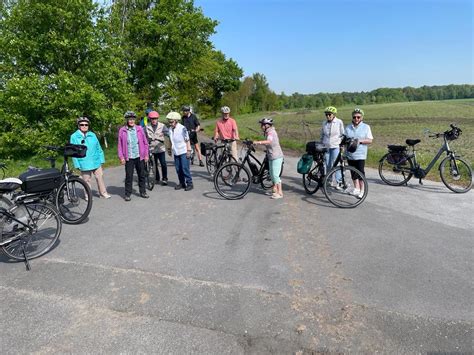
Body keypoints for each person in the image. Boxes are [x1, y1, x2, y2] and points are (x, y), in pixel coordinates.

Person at [70, 117, 111, 199]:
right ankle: (88, 195)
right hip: (84, 162)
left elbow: (98, 147)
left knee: (100, 177)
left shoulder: (92, 134)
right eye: (82, 124)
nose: (84, 126)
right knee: (86, 180)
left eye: (86, 124)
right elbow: (73, 152)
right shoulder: (74, 136)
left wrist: (102, 159)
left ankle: (103, 193)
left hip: (95, 160)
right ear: (79, 126)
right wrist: (77, 164)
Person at [118, 111, 150, 201]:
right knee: (129, 176)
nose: (131, 121)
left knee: (142, 175)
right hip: (129, 157)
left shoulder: (139, 129)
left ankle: (143, 192)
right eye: (129, 119)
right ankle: (128, 194)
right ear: (127, 120)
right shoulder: (122, 130)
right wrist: (121, 157)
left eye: (132, 119)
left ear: (134, 120)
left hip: (140, 156)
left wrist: (146, 155)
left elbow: (145, 143)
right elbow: (120, 145)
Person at [344, 108, 373, 198]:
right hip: (350, 154)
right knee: (353, 172)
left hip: (360, 154)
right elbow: (344, 139)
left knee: (360, 172)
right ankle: (356, 189)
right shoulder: (348, 127)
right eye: (354, 117)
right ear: (352, 117)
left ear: (361, 117)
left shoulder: (366, 127)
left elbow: (370, 140)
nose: (356, 119)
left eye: (358, 117)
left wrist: (359, 141)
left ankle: (362, 190)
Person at [253, 118, 284, 199]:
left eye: (262, 125)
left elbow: (269, 141)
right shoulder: (268, 132)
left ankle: (280, 193)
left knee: (275, 175)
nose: (261, 126)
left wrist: (258, 142)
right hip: (271, 155)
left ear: (267, 125)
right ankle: (274, 190)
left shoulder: (271, 132)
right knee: (271, 174)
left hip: (276, 156)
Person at [166, 111, 193, 191]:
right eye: (169, 122)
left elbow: (187, 139)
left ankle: (189, 183)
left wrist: (188, 150)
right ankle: (182, 183)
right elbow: (170, 140)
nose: (170, 123)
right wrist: (169, 149)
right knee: (178, 169)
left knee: (185, 168)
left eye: (171, 122)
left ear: (176, 121)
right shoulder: (170, 129)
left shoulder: (182, 128)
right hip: (176, 151)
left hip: (184, 151)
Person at [320, 106, 344, 184]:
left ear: (334, 114)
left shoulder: (339, 122)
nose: (328, 116)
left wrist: (342, 145)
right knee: (328, 164)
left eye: (329, 114)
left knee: (336, 164)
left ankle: (339, 181)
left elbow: (342, 134)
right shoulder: (324, 123)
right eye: (326, 114)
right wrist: (321, 144)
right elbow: (322, 134)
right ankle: (329, 180)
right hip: (326, 146)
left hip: (335, 146)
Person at [145, 110, 169, 185]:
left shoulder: (162, 126)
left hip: (160, 148)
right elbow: (142, 136)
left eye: (155, 118)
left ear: (157, 119)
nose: (154, 120)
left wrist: (165, 134)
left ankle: (165, 178)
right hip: (151, 148)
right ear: (150, 119)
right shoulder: (146, 127)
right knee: (154, 164)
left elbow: (168, 133)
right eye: (152, 119)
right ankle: (157, 178)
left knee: (163, 164)